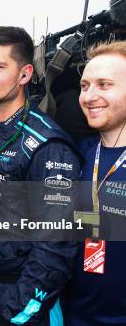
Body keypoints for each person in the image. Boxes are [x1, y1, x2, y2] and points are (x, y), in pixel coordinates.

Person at [0, 26, 80, 325]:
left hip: (18, 295)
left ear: (25, 74)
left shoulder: (48, 144)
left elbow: (56, 245)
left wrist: (17, 314)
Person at [63, 40, 126, 326]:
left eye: (104, 84)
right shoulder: (76, 156)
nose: (89, 96)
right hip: (73, 316)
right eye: (85, 85)